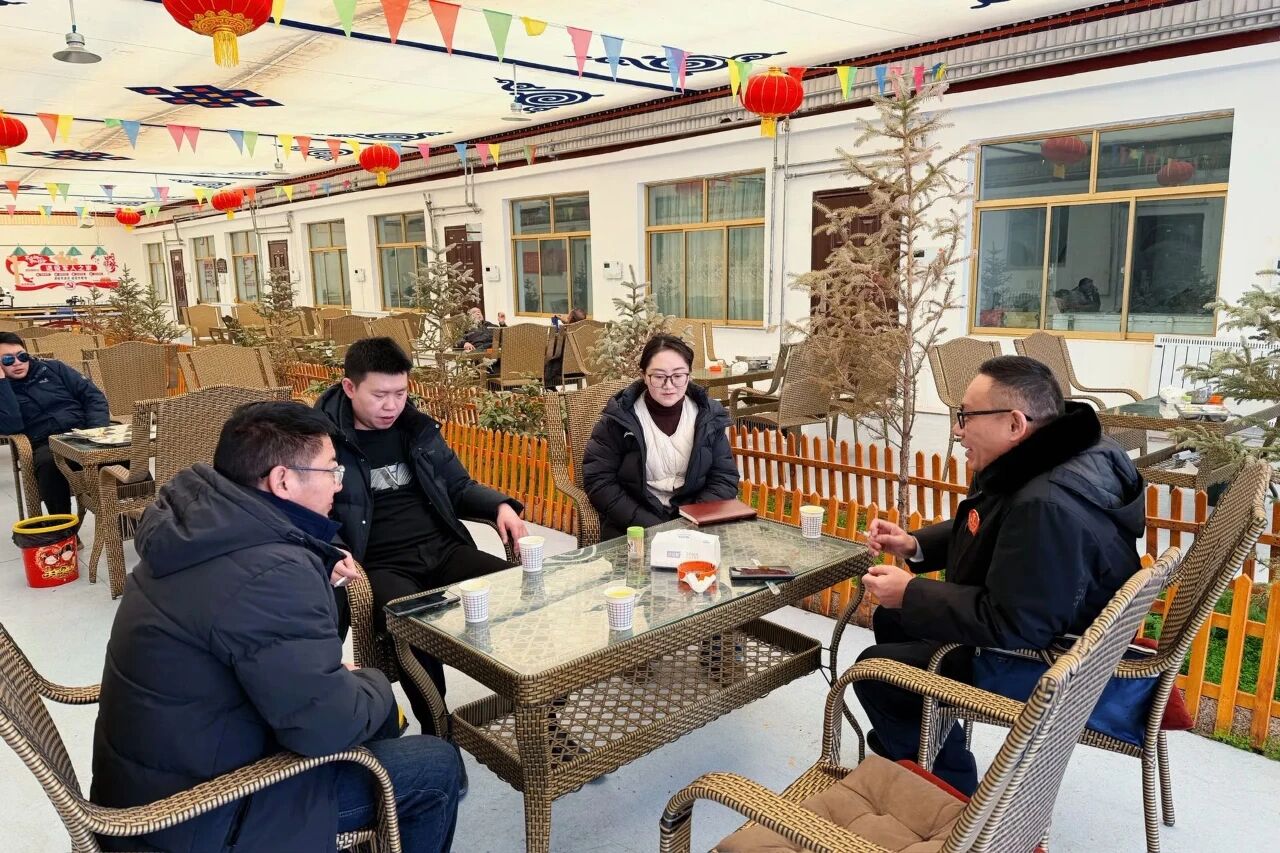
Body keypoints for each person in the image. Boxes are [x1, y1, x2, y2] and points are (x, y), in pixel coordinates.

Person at [91, 402, 461, 853]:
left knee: (373, 718)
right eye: (332, 470)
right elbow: (327, 728)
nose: (339, 484)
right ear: (283, 480)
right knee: (435, 766)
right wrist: (376, 683)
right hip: (197, 815)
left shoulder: (194, 528)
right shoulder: (271, 574)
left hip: (155, 774)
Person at [853, 355, 1144, 795]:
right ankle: (917, 743)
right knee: (891, 619)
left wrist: (911, 592)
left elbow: (1015, 623)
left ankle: (949, 791)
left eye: (966, 416)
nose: (957, 430)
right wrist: (914, 545)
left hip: (1047, 662)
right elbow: (992, 525)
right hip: (1062, 625)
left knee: (875, 671)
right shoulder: (1062, 453)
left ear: (1014, 423)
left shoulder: (1044, 505)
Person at [317, 337, 527, 733]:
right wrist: (332, 549)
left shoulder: (416, 428)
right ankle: (437, 730)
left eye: (400, 393)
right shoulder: (321, 441)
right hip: (380, 564)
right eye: (380, 395)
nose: (392, 406)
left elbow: (458, 485)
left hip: (442, 549)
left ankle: (540, 716)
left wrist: (500, 505)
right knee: (413, 623)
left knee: (519, 591)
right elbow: (309, 513)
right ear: (349, 387)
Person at [583, 333, 740, 541]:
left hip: (696, 526)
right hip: (635, 527)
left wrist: (691, 520)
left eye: (678, 375)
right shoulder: (620, 418)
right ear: (644, 375)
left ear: (689, 375)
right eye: (658, 376)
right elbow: (599, 481)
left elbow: (724, 478)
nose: (669, 385)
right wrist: (652, 527)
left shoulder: (708, 417)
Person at [0, 331, 109, 515]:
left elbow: (93, 397)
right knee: (49, 465)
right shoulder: (2, 389)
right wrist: (2, 385)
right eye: (8, 360)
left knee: (131, 454)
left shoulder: (53, 368)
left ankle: (141, 521)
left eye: (22, 356)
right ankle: (63, 527)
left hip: (84, 433)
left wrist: (95, 430)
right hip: (46, 444)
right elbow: (11, 426)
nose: (17, 363)